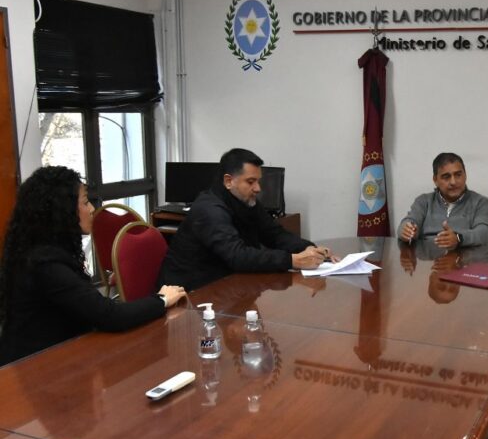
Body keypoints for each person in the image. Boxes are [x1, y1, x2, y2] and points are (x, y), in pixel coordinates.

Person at [0, 166, 187, 366]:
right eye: (85, 202)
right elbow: (109, 315)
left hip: (56, 358)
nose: (91, 210)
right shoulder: (46, 264)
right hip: (33, 368)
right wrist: (162, 299)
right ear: (62, 210)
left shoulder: (43, 250)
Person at [158, 148, 333, 290]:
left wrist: (310, 249)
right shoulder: (209, 210)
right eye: (250, 182)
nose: (257, 188)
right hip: (190, 292)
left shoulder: (245, 201)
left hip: (226, 282)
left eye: (258, 181)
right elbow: (237, 255)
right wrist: (292, 260)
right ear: (228, 181)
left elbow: (274, 234)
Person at [398, 152, 488, 249]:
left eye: (458, 175)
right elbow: (410, 220)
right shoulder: (424, 201)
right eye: (446, 177)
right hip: (429, 261)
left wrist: (458, 238)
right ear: (435, 180)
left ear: (465, 175)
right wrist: (406, 230)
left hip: (465, 260)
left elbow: (485, 234)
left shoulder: (481, 203)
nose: (453, 182)